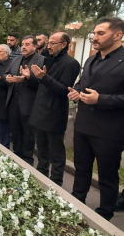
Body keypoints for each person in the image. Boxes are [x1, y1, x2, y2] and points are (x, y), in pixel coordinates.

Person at [68, 17, 124, 220]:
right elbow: (82, 83)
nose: (95, 37)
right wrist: (75, 91)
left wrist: (101, 99)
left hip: (109, 131)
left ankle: (104, 214)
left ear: (118, 35)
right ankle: (76, 203)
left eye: (101, 33)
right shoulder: (91, 59)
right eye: (94, 33)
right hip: (83, 126)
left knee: (107, 176)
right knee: (81, 169)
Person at [29, 32, 80, 186]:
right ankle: (41, 176)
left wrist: (44, 77)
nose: (48, 46)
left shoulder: (71, 63)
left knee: (56, 151)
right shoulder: (47, 59)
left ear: (63, 45)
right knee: (41, 149)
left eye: (52, 43)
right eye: (48, 43)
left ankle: (56, 181)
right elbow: (41, 84)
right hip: (40, 111)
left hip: (54, 113)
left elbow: (65, 90)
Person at [5, 36, 44, 166]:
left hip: (29, 104)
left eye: (27, 44)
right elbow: (6, 73)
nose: (23, 47)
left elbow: (43, 82)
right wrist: (8, 78)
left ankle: (28, 162)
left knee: (28, 134)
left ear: (34, 46)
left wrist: (28, 78)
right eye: (22, 44)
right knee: (15, 132)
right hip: (13, 103)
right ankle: (17, 158)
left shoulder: (41, 60)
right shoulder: (16, 59)